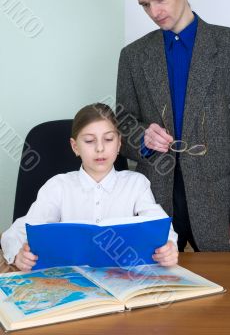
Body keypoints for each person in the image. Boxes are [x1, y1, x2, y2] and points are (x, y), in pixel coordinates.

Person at [116, 0, 230, 252]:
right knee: (154, 290)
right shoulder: (132, 56)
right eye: (145, 5)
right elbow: (122, 124)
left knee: (224, 292)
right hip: (152, 199)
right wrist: (142, 136)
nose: (155, 12)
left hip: (218, 202)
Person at [1, 103, 178, 271]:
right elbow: (15, 233)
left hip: (124, 280)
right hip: (70, 285)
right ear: (75, 146)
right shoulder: (58, 186)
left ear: (118, 144)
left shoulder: (137, 184)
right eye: (89, 141)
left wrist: (169, 247)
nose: (100, 148)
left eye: (108, 139)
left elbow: (161, 228)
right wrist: (18, 255)